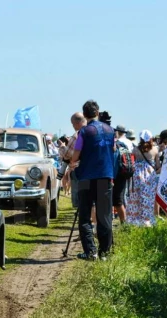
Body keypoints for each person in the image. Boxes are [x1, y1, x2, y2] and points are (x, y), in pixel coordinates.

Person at [69, 100, 115, 261]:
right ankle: (105, 252)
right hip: (105, 176)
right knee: (104, 216)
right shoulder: (110, 130)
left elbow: (75, 155)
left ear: (85, 114)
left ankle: (90, 251)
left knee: (85, 215)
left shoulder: (84, 132)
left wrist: (73, 164)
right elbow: (113, 150)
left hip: (87, 177)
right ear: (98, 112)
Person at [126, 130, 160, 227]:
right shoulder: (155, 150)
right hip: (149, 176)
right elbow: (158, 165)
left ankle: (135, 220)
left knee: (135, 197)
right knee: (148, 198)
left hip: (136, 175)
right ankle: (147, 220)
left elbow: (132, 162)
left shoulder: (135, 149)